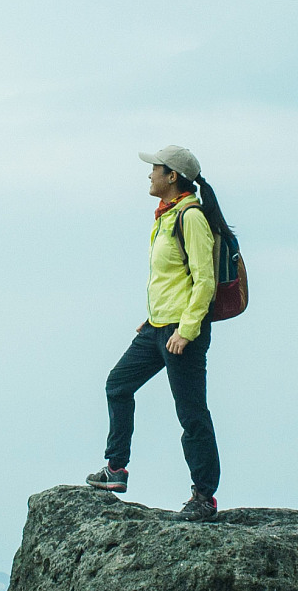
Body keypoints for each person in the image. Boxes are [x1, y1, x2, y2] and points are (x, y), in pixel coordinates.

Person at [87, 146, 223, 520]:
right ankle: (116, 470)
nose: (149, 175)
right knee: (118, 384)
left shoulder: (190, 217)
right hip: (157, 328)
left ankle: (204, 497)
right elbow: (171, 278)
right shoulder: (166, 216)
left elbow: (204, 280)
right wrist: (152, 319)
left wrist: (187, 329)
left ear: (172, 176)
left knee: (192, 415)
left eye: (155, 169)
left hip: (183, 335)